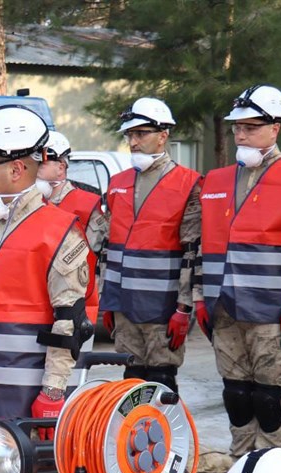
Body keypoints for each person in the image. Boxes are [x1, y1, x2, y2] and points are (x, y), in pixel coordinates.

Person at [194, 85, 281, 457]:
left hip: (272, 313)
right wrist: (200, 298)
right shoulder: (216, 181)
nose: (241, 134)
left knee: (270, 399)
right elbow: (203, 247)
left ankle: (276, 470)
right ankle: (241, 467)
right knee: (236, 395)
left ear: (276, 128)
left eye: (251, 127)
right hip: (224, 309)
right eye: (237, 127)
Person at [0, 105, 92, 425]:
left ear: (16, 169)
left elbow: (70, 323)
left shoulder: (58, 232)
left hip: (24, 408)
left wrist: (53, 394)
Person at [99, 98, 202, 393]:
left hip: (162, 307)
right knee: (131, 383)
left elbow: (192, 254)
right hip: (124, 305)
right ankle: (131, 439)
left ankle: (163, 439)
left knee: (160, 383)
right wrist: (109, 297)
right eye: (129, 135)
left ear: (163, 135)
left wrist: (184, 308)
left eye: (141, 134)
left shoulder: (188, 184)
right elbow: (109, 247)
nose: (133, 142)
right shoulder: (118, 183)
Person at [39, 130, 107, 338]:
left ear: (61, 167)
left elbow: (99, 258)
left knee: (68, 367)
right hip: (37, 301)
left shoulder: (86, 205)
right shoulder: (31, 205)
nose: (34, 168)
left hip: (74, 303)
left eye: (41, 163)